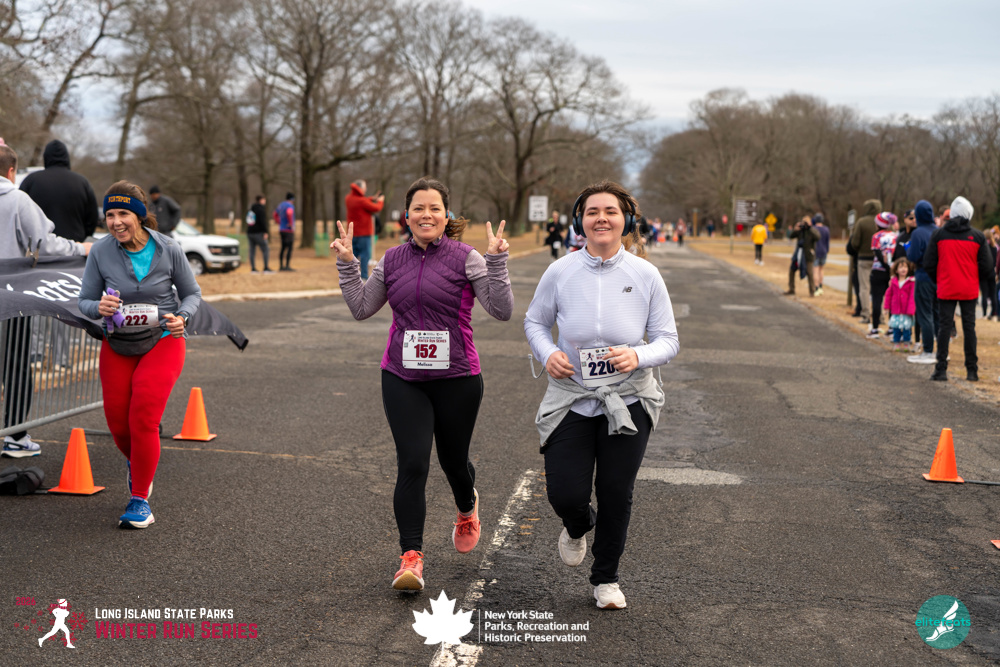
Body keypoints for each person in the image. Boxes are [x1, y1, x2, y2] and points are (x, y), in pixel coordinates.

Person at [333, 177, 513, 592]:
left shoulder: (467, 258)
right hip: (403, 376)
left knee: (454, 462)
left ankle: (466, 506)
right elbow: (362, 308)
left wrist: (497, 261)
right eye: (418, 208)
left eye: (435, 208)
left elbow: (501, 310)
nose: (426, 215)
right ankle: (410, 558)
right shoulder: (392, 259)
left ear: (446, 216)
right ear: (407, 215)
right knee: (413, 463)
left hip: (457, 378)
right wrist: (347, 264)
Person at [524, 180, 678, 610]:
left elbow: (668, 340)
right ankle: (577, 526)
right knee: (565, 494)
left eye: (610, 211)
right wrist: (549, 353)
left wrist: (637, 355)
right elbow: (534, 322)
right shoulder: (560, 271)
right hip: (571, 396)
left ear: (625, 220)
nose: (601, 219)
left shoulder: (645, 274)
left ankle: (606, 579)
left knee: (615, 491)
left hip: (628, 400)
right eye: (592, 212)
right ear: (580, 221)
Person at [78, 180, 202, 528]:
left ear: (140, 215)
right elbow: (84, 300)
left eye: (123, 214)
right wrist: (98, 306)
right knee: (119, 425)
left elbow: (192, 293)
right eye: (110, 215)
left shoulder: (169, 248)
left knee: (144, 416)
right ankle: (141, 462)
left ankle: (139, 500)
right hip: (118, 342)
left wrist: (182, 317)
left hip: (163, 338)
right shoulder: (101, 251)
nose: (116, 222)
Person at [0, 144, 89, 458]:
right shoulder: (17, 199)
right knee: (15, 364)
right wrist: (80, 248)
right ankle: (15, 436)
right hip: (11, 292)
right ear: (12, 171)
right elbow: (45, 244)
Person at [923, 196, 992, 382]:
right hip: (969, 287)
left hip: (946, 286)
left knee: (944, 327)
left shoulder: (938, 235)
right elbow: (987, 266)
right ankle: (972, 370)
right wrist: (974, 278)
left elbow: (929, 263)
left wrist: (939, 280)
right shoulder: (977, 236)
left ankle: (941, 369)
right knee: (969, 328)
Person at [19, 140, 98, 243]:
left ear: (46, 157)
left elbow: (19, 214)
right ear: (67, 158)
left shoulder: (31, 181)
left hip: (39, 247)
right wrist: (82, 239)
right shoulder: (82, 183)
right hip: (74, 247)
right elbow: (92, 219)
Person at [906, 200, 940, 365]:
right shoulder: (938, 231)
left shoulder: (918, 233)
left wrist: (908, 249)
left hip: (923, 276)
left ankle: (928, 351)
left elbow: (913, 256)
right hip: (939, 278)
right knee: (937, 314)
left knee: (925, 314)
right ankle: (941, 351)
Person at [345, 179, 385, 280]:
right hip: (364, 233)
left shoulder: (348, 198)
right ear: (360, 188)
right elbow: (376, 208)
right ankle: (364, 277)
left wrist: (372, 198)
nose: (366, 189)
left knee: (353, 256)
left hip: (352, 233)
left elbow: (363, 200)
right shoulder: (362, 201)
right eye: (365, 187)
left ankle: (351, 277)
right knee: (365, 256)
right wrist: (380, 201)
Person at [866, 212, 898, 339]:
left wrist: (885, 266)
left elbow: (878, 254)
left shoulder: (876, 236)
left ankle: (875, 328)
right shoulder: (895, 236)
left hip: (878, 271)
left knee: (877, 300)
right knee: (892, 300)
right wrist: (891, 269)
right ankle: (891, 328)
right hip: (892, 271)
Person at [849, 199, 881, 324]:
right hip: (879, 259)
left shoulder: (861, 222)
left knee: (864, 288)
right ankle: (880, 316)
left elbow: (855, 243)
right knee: (879, 289)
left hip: (863, 259)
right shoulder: (883, 222)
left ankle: (866, 314)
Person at [886, 258, 916, 351]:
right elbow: (889, 294)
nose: (903, 269)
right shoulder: (893, 282)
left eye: (905, 267)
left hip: (906, 310)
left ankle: (907, 343)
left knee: (907, 328)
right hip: (896, 310)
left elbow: (912, 296)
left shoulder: (911, 282)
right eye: (901, 267)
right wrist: (887, 307)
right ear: (896, 270)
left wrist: (911, 309)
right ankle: (896, 343)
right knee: (896, 328)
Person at [786, 215, 819, 296]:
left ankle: (812, 291)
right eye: (803, 223)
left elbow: (818, 237)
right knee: (792, 270)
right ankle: (791, 289)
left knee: (810, 273)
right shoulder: (800, 231)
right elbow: (791, 236)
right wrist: (796, 229)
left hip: (808, 255)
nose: (805, 225)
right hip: (798, 255)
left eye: (806, 223)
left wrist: (809, 228)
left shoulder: (812, 231)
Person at [246, 194, 272, 274]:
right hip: (258, 233)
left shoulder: (251, 209)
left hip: (250, 232)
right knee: (265, 249)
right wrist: (265, 232)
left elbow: (248, 220)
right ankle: (266, 268)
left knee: (252, 250)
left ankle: (253, 268)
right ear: (261, 200)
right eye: (264, 200)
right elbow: (263, 222)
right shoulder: (261, 209)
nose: (265, 201)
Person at [274, 192, 295, 271]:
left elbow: (275, 214)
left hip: (281, 229)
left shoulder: (281, 205)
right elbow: (289, 213)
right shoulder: (290, 205)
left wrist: (278, 222)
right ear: (292, 199)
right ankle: (287, 266)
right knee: (289, 247)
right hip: (288, 230)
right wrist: (290, 224)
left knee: (283, 248)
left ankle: (281, 266)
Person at [813, 214, 830, 294]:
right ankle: (820, 286)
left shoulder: (813, 229)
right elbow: (827, 242)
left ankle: (816, 288)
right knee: (821, 269)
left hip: (816, 251)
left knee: (815, 270)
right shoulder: (826, 229)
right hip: (824, 251)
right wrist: (826, 250)